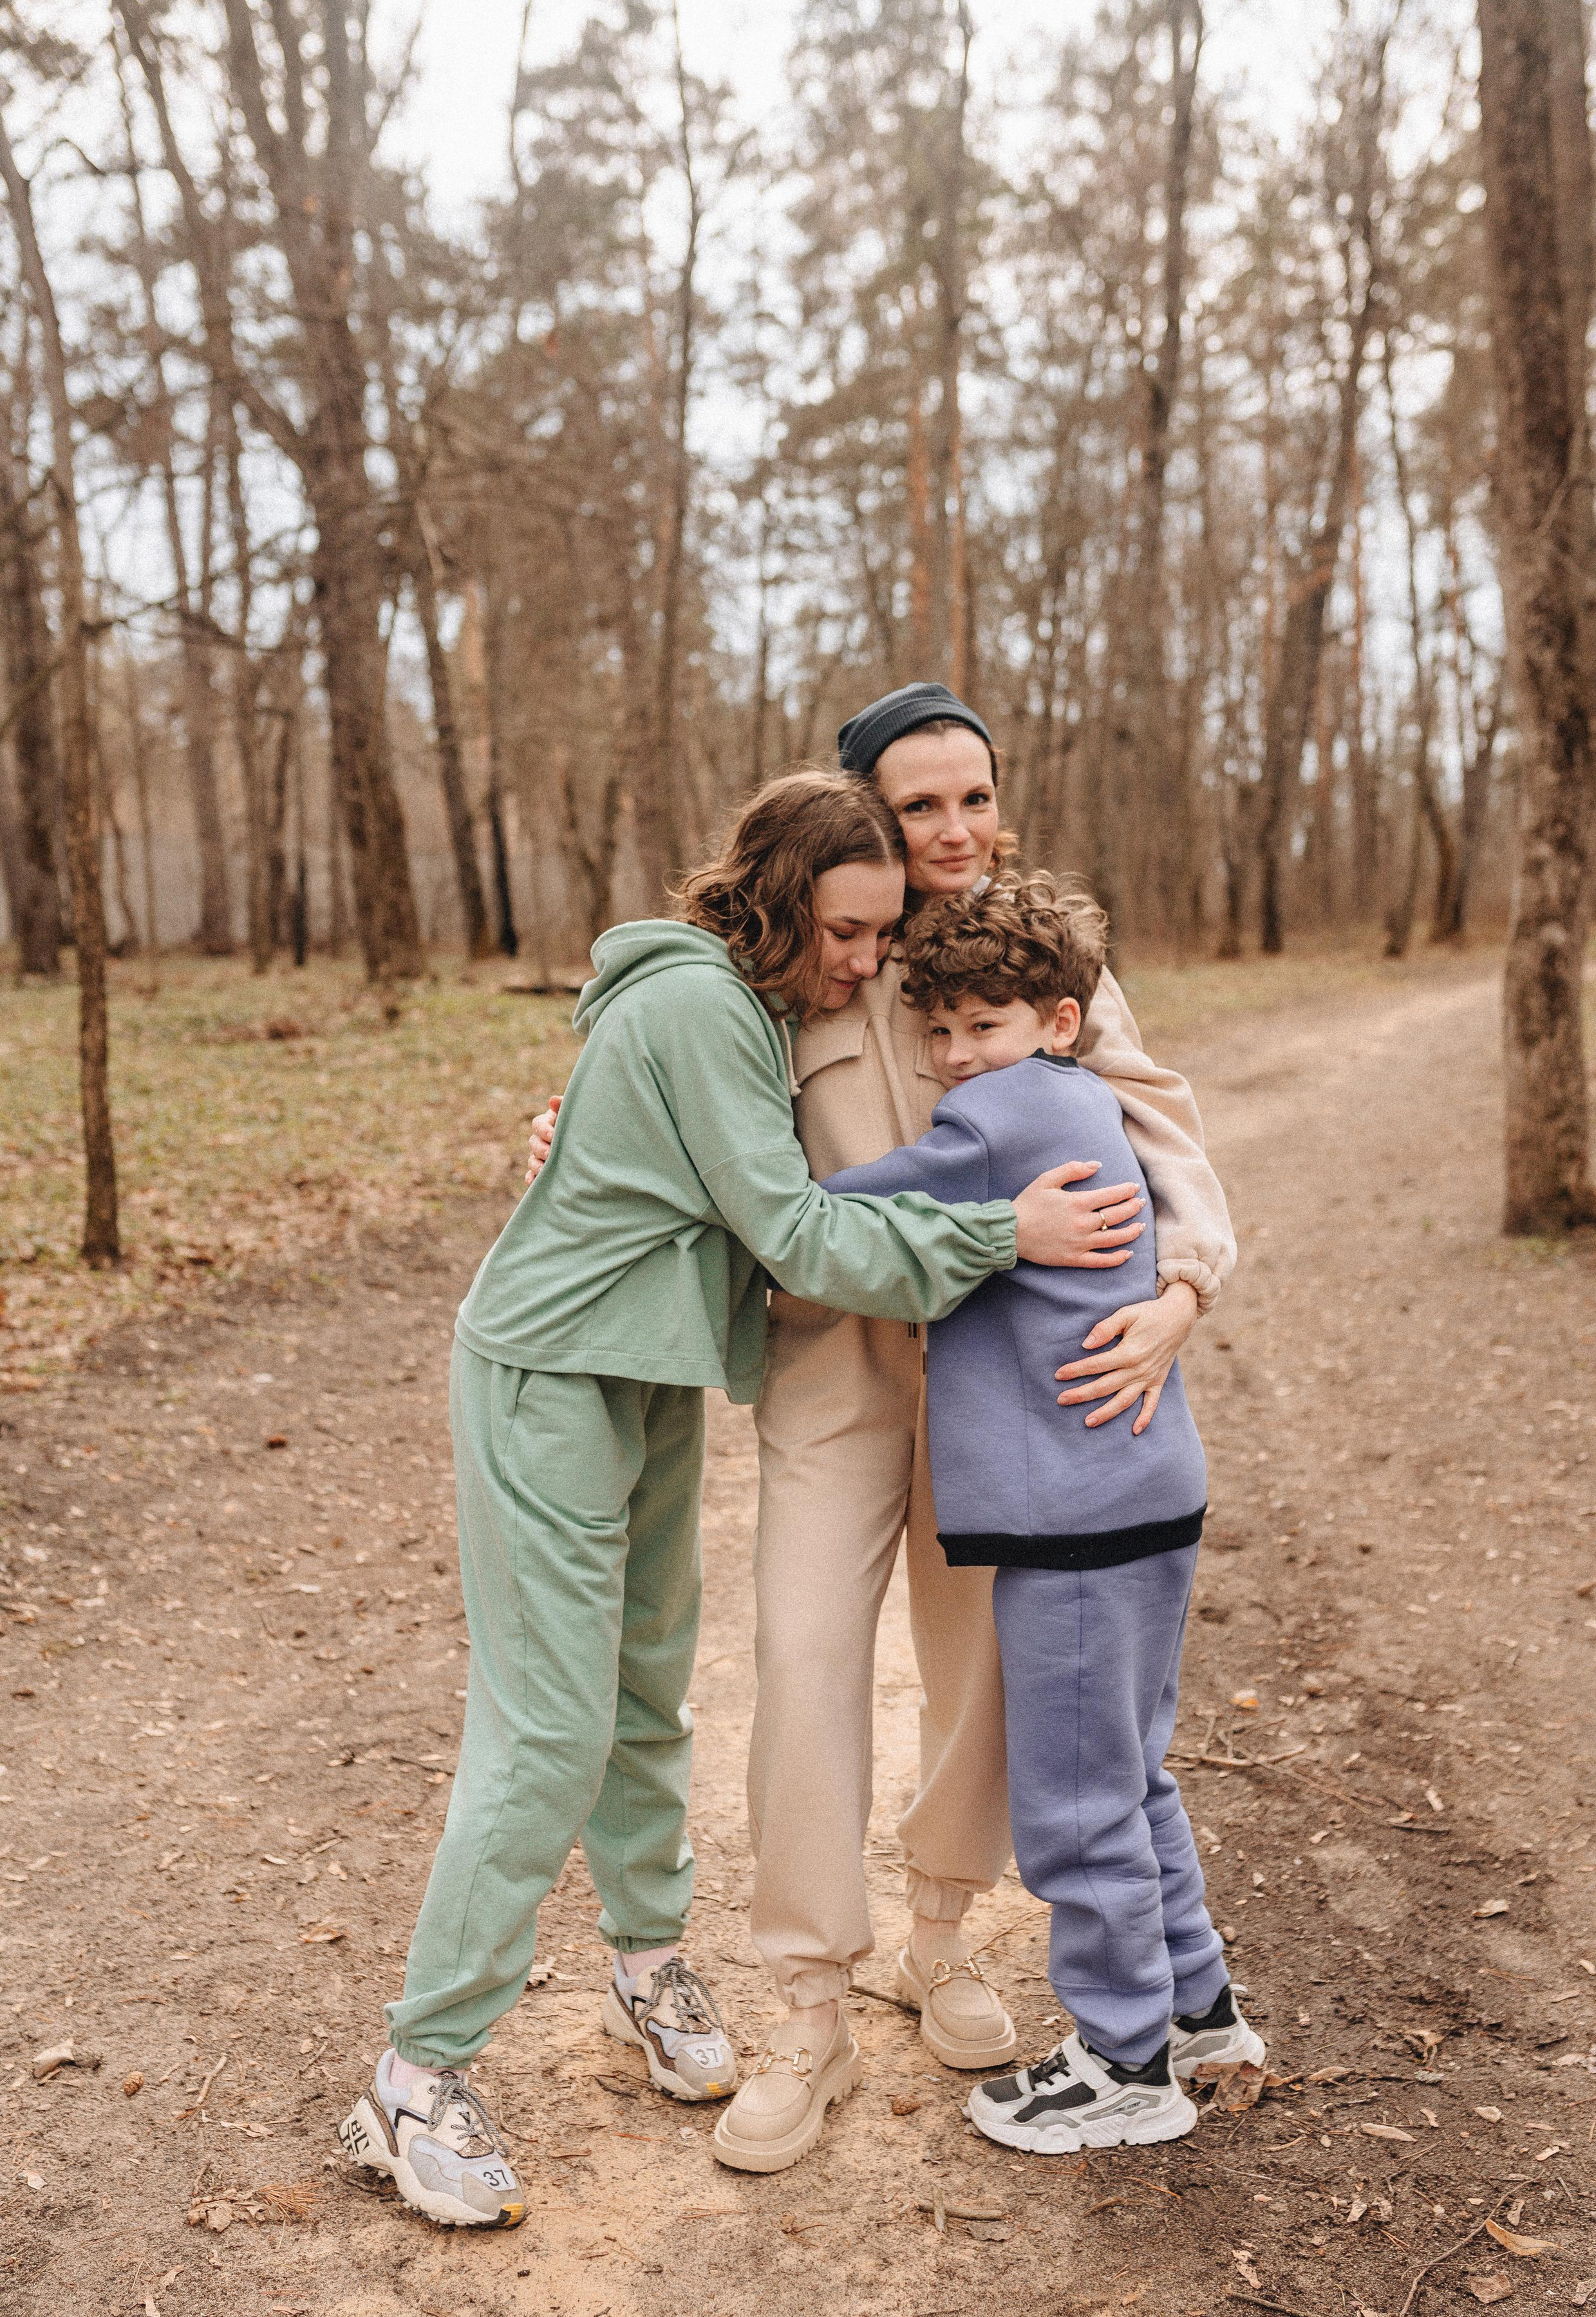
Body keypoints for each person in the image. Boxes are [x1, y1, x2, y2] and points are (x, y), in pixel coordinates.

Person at [339, 771, 1124, 2228]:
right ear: (774, 901)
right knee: (552, 1726)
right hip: (547, 1374)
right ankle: (415, 2068)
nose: (865, 965)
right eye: (842, 933)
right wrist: (998, 1234)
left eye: (880, 935)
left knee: (647, 1693)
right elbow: (792, 1233)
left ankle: (647, 1959)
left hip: (648, 1374)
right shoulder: (705, 1005)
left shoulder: (750, 1004)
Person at [527, 682, 1236, 2177]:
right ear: (865, 815)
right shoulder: (802, 962)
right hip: (834, 1370)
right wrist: (571, 1123)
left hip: (1009, 1392)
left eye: (973, 797)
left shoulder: (1039, 965)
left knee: (981, 1669)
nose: (955, 831)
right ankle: (805, 2005)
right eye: (920, 806)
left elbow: (1161, 1130)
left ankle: (937, 1936)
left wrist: (1180, 1292)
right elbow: (680, 1093)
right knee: (800, 1660)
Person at [821, 874, 1265, 2152]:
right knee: (1128, 1775)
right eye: (939, 1030)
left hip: (1071, 1513)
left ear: (1059, 1022)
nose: (959, 1056)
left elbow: (862, 1205)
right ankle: (1197, 2012)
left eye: (988, 1025)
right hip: (1142, 1492)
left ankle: (1121, 2065)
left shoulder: (1004, 1114)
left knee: (1070, 1801)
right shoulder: (1077, 1099)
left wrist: (741, 1198)